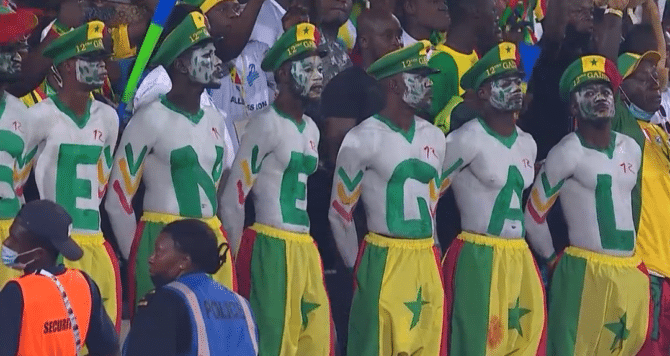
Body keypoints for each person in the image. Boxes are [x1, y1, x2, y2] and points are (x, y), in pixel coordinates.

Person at [106, 11, 237, 313]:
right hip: (161, 238)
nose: (217, 61)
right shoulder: (150, 118)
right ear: (180, 64)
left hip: (210, 239)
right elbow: (118, 199)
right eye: (207, 54)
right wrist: (139, 256)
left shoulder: (216, 119)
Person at [221, 23, 334, 355]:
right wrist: (242, 259)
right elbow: (233, 199)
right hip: (271, 243)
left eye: (319, 67)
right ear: (284, 73)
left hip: (305, 247)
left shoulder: (311, 127)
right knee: (274, 340)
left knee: (314, 338)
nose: (318, 76)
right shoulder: (264, 124)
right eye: (308, 67)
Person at [525, 55, 650, 355]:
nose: (599, 97)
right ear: (573, 106)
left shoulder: (631, 148)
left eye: (605, 90)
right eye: (588, 92)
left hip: (629, 271)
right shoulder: (567, 152)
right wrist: (553, 260)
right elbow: (533, 216)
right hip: (584, 271)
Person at [329, 41, 446, 356]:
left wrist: (434, 252)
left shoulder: (436, 136)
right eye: (419, 76)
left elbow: (433, 203)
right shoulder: (362, 138)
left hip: (425, 256)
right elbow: (340, 212)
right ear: (394, 83)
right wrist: (359, 269)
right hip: (383, 255)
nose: (429, 84)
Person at [440, 42, 544, 355]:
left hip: (520, 255)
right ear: (483, 93)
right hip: (478, 253)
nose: (515, 88)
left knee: (524, 343)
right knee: (476, 345)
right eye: (504, 82)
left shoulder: (528, 143)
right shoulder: (465, 139)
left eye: (518, 80)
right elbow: (430, 196)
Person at [21, 20, 121, 329]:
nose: (102, 67)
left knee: (104, 335)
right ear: (66, 66)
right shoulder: (39, 116)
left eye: (103, 59)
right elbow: (17, 182)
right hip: (56, 245)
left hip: (96, 241)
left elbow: (102, 183)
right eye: (92, 60)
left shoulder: (109, 117)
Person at [0, 200, 118, 356]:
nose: (6, 243)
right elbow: (109, 349)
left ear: (38, 254)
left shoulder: (17, 292)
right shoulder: (84, 283)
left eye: (14, 239)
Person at [123, 219, 258, 355]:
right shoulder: (241, 304)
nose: (151, 258)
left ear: (184, 261)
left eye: (159, 252)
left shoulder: (165, 300)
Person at [612, 51, 669, 354]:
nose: (653, 79)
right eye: (640, 75)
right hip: (649, 271)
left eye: (653, 72)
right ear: (619, 89)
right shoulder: (622, 131)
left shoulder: (659, 133)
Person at [0, 5, 38, 289]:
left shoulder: (21, 113)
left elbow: (19, 184)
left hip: (9, 230)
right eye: (7, 48)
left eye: (18, 47)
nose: (18, 57)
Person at [432, 0, 500, 133]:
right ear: (475, 11)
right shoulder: (441, 64)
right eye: (493, 10)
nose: (498, 17)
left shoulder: (479, 57)